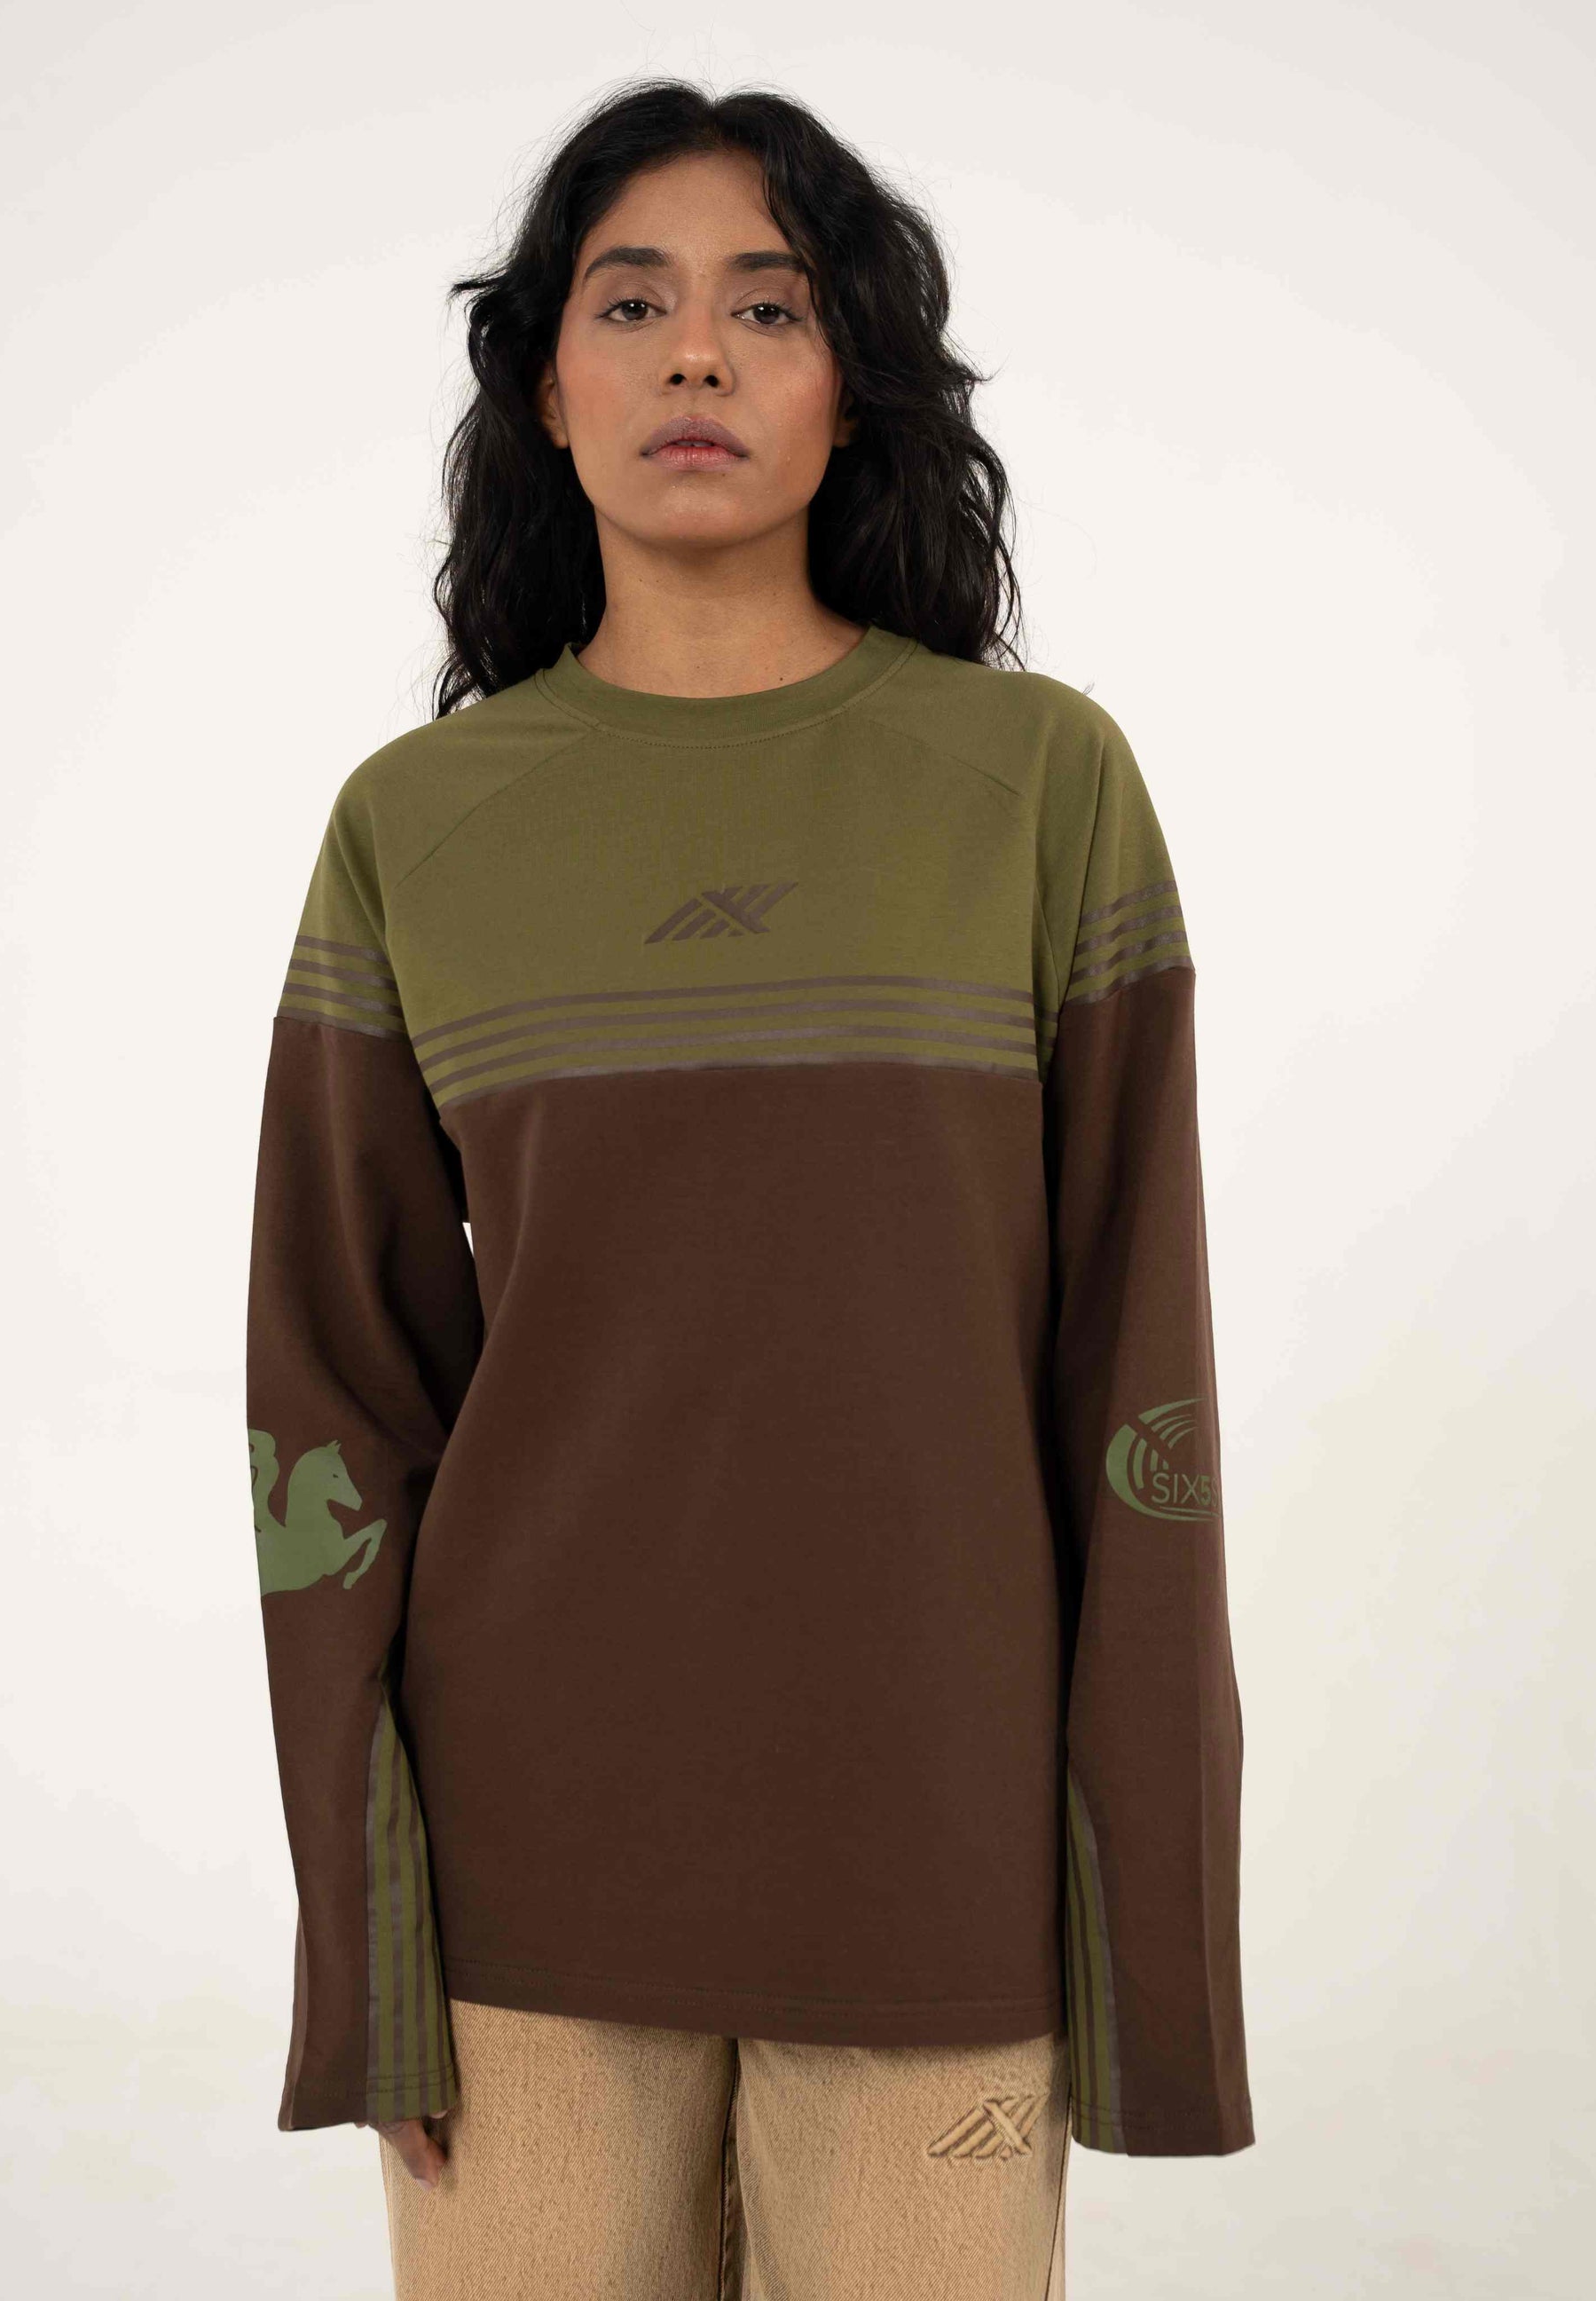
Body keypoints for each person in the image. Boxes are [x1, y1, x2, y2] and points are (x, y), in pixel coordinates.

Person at [244, 75, 1254, 2301]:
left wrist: (1148, 1945)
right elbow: (332, 1409)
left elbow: (1137, 1385)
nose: (695, 351)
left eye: (767, 306)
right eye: (632, 302)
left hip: (938, 1874)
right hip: (518, 1902)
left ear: (849, 383)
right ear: (546, 384)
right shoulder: (416, 827)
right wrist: (366, 1951)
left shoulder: (1037, 786)